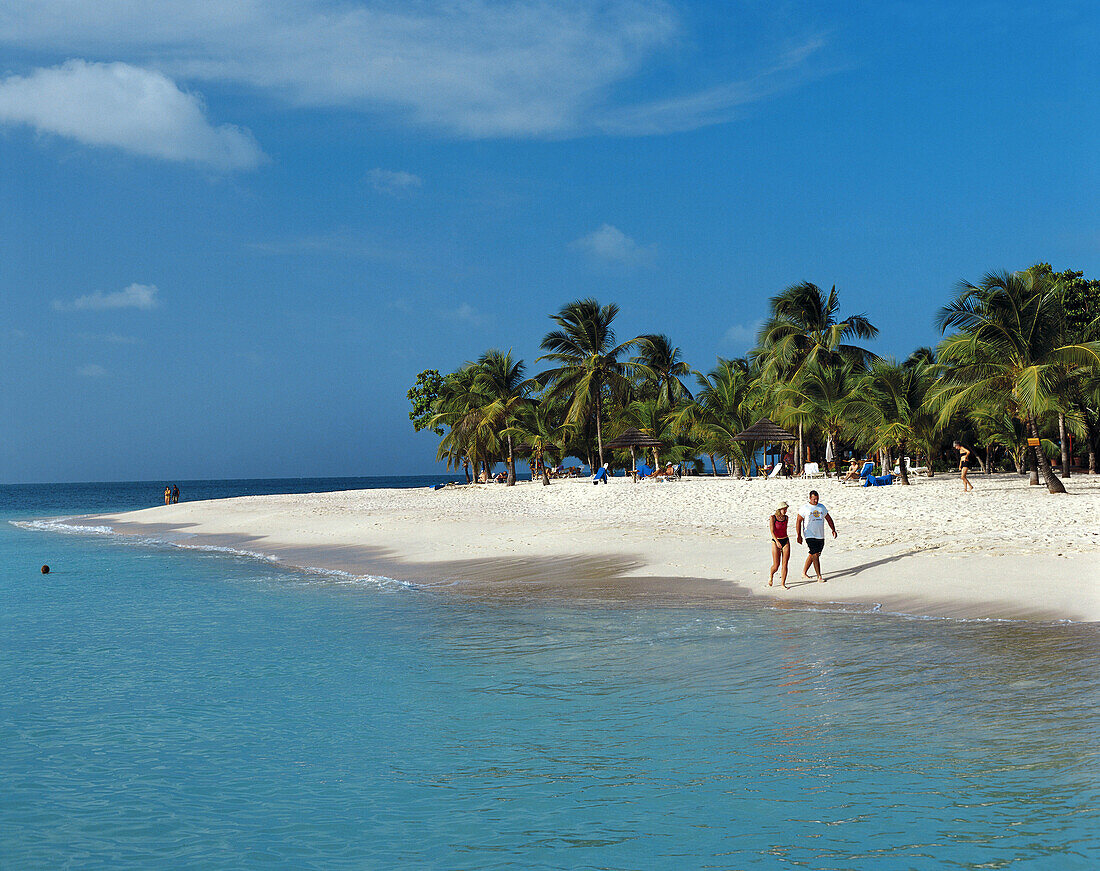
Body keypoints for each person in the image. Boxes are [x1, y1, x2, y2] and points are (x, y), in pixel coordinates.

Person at [796, 490, 836, 583]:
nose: (816, 501)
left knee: (814, 554)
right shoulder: (804, 508)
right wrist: (799, 535)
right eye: (814, 499)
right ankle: (819, 576)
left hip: (820, 535)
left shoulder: (821, 507)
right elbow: (798, 521)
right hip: (809, 534)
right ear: (810, 498)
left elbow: (828, 518)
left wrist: (833, 529)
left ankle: (804, 573)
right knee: (815, 554)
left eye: (817, 499)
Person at [768, 501, 791, 589]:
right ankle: (771, 575)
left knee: (785, 564)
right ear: (779, 509)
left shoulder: (786, 518)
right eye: (784, 509)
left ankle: (783, 584)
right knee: (776, 565)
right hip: (776, 541)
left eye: (786, 509)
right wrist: (777, 541)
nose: (785, 511)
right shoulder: (773, 517)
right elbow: (772, 531)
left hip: (785, 540)